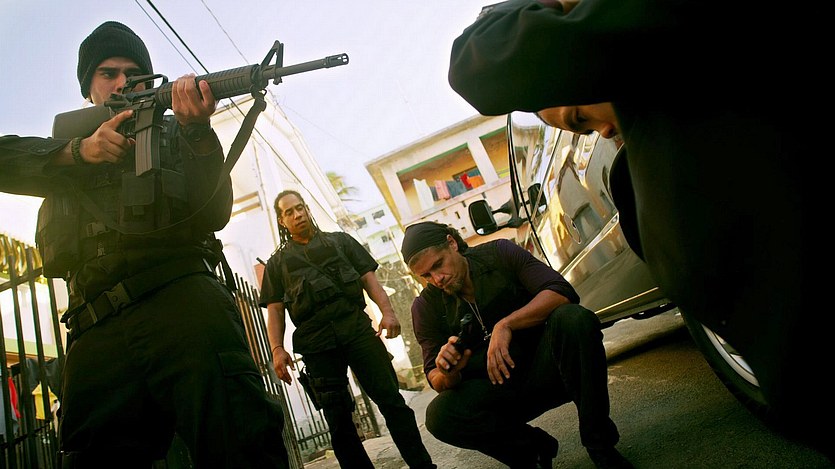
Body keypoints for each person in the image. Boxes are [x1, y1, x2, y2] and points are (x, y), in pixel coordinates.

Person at [445, 0, 823, 460]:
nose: (603, 131)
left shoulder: (652, 63)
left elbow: (475, 61)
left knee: (573, 319)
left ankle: (598, 440)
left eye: (580, 119)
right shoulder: (432, 307)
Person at [1, 21, 289, 467]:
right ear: (88, 87)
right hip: (95, 327)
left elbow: (214, 212)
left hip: (183, 306)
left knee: (241, 443)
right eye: (108, 73)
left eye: (134, 73)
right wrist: (79, 152)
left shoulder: (176, 132)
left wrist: (197, 131)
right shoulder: (66, 148)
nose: (122, 82)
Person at [401, 221, 632, 469]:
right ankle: (532, 451)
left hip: (551, 371)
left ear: (452, 243)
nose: (437, 279)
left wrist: (507, 324)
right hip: (499, 396)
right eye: (426, 276)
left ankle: (600, 445)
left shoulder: (500, 253)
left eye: (438, 264)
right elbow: (434, 377)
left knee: (574, 319)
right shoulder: (425, 307)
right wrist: (449, 371)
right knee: (440, 415)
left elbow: (561, 291)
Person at [258, 190, 436, 469]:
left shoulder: (340, 242)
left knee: (392, 402)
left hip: (357, 331)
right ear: (282, 221)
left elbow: (370, 280)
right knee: (339, 421)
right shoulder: (277, 264)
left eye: (300, 207)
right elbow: (276, 310)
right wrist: (277, 349)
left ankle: (423, 466)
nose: (298, 214)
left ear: (307, 209)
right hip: (316, 344)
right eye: (289, 212)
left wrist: (388, 313)